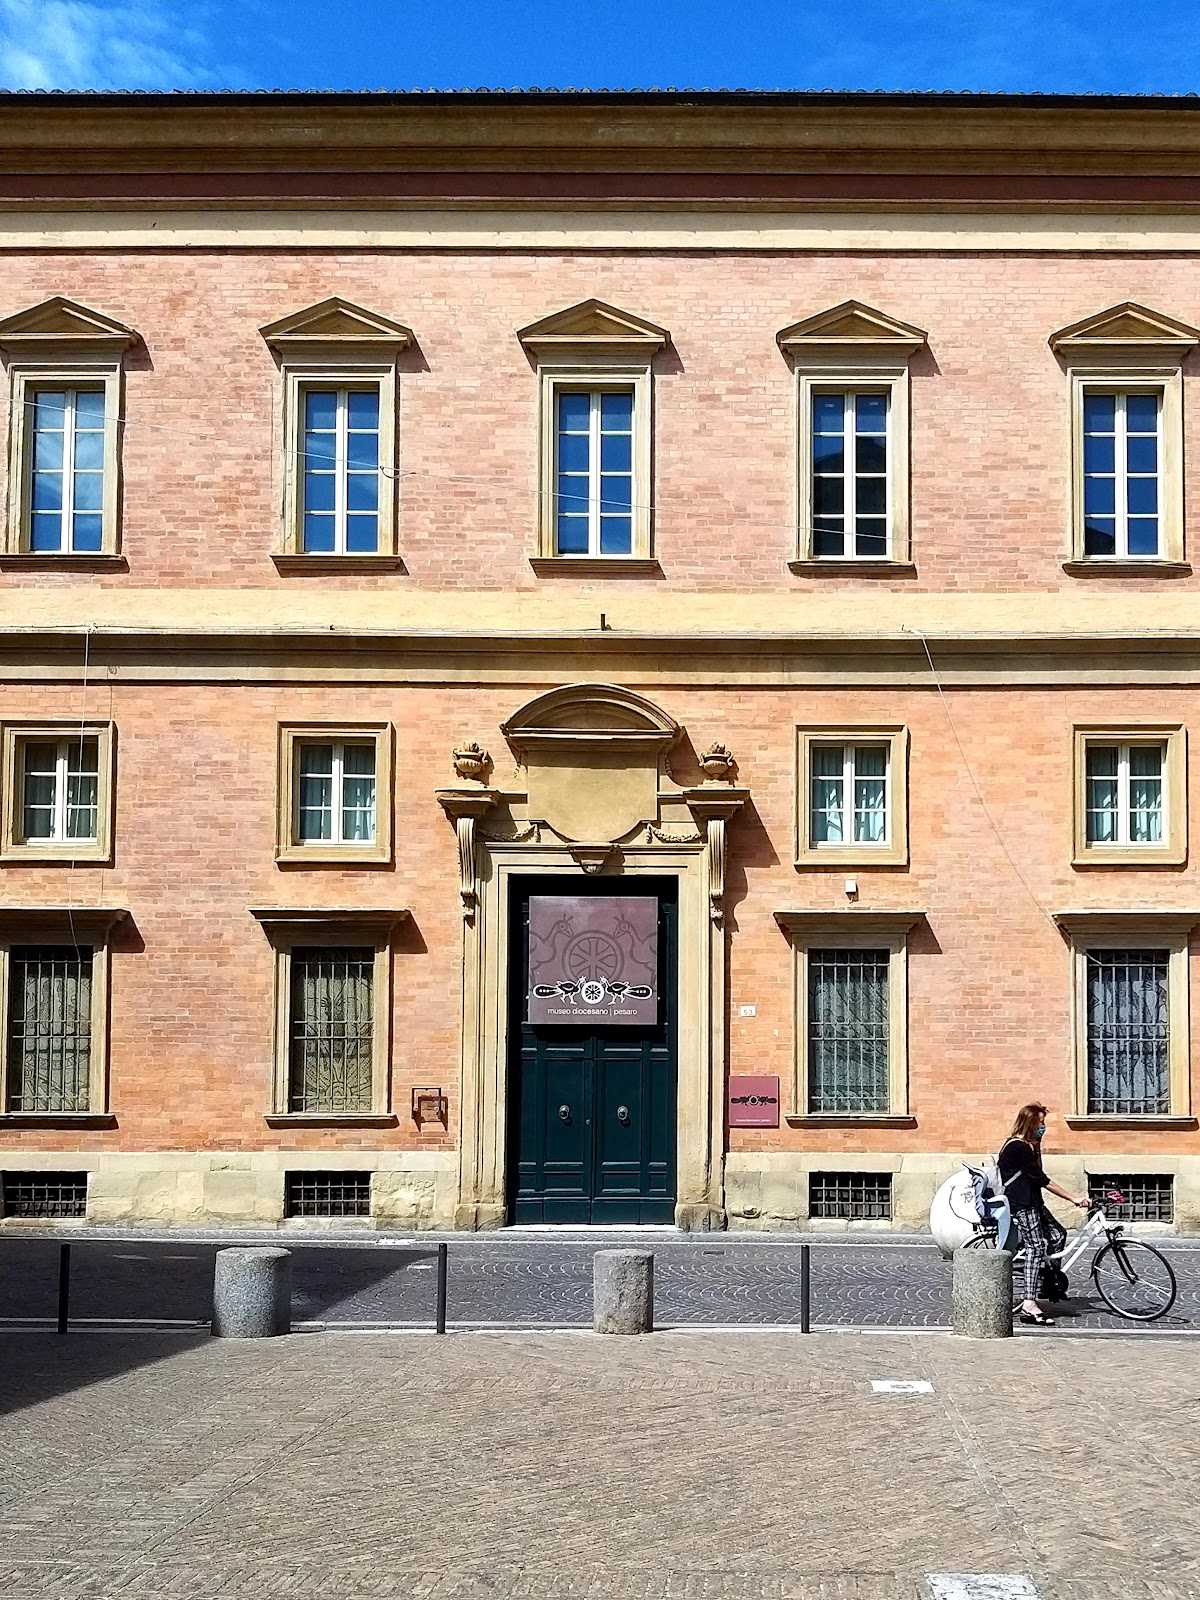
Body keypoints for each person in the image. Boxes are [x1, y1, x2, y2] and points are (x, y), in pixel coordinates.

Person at [997, 1102, 1089, 1326]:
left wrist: (1037, 1145)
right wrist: (1073, 1197)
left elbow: (1037, 1173)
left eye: (1044, 1123)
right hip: (1022, 1204)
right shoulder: (1016, 1147)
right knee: (1036, 1247)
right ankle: (1029, 1302)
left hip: (1034, 1202)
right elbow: (1041, 1179)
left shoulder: (1028, 1146)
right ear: (1029, 1123)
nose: (1043, 1127)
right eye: (1040, 1123)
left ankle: (1050, 1282)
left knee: (1058, 1235)